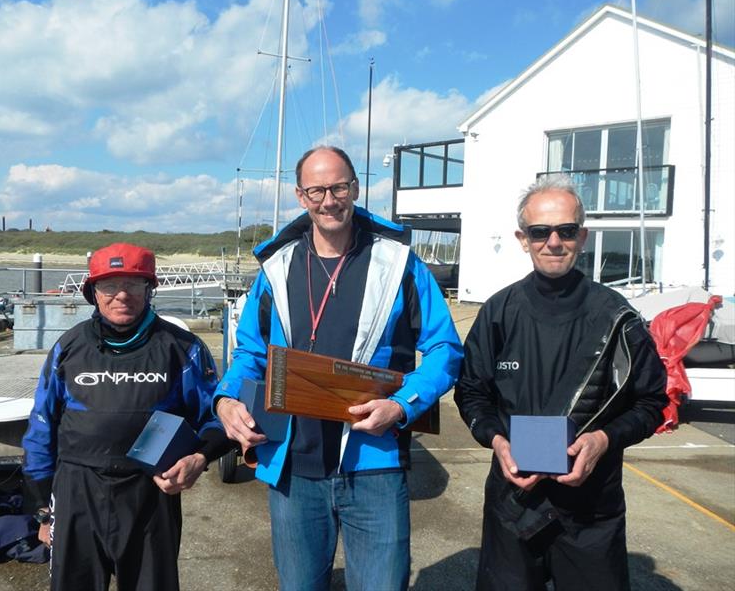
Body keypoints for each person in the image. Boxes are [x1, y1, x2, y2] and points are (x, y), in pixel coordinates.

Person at [214, 146, 463, 590]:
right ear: (300, 195)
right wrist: (228, 398)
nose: (329, 200)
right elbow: (250, 352)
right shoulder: (276, 268)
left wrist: (403, 405)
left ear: (356, 187)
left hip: (375, 464)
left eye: (339, 187)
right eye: (317, 190)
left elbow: (444, 348)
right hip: (293, 465)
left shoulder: (399, 265)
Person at [454, 174, 668, 590]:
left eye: (566, 230)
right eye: (540, 232)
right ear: (523, 238)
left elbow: (652, 401)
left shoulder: (617, 317)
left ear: (582, 236)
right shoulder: (499, 312)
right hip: (514, 502)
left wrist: (603, 440)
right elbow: (472, 392)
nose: (554, 241)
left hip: (591, 510)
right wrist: (497, 441)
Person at [22, 242, 231, 591]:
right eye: (109, 285)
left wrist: (201, 457)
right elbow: (40, 428)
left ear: (150, 289)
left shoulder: (183, 348)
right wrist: (43, 509)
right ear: (93, 292)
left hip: (149, 493)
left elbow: (218, 417)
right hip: (76, 492)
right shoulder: (67, 348)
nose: (122, 295)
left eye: (133, 284)